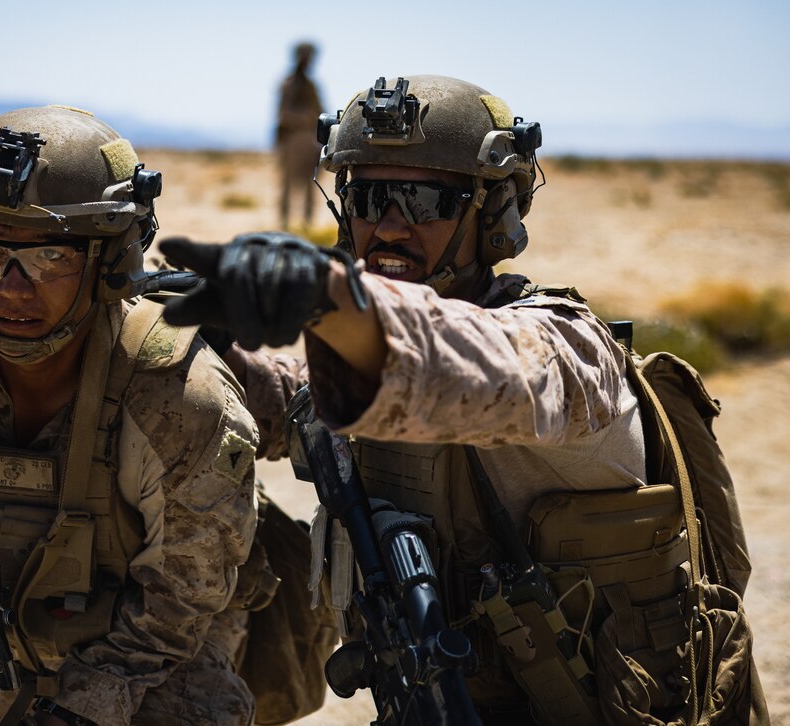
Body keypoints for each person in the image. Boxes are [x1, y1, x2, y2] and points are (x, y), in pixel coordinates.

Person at [161, 75, 763, 723]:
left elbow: (469, 362)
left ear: (494, 214)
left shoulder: (567, 352)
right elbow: (294, 400)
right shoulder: (361, 352)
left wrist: (327, 298)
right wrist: (186, 337)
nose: (388, 228)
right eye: (368, 196)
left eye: (425, 202)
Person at [0, 106, 259, 725]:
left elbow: (179, 607)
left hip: (143, 665)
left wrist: (78, 709)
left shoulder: (176, 397)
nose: (12, 287)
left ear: (110, 262)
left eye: (50, 259)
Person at [274, 41, 323, 230]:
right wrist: (306, 119)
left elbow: (319, 110)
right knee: (288, 183)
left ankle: (307, 224)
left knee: (311, 182)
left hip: (309, 140)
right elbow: (283, 114)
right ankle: (284, 224)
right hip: (293, 140)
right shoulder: (289, 84)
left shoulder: (310, 85)